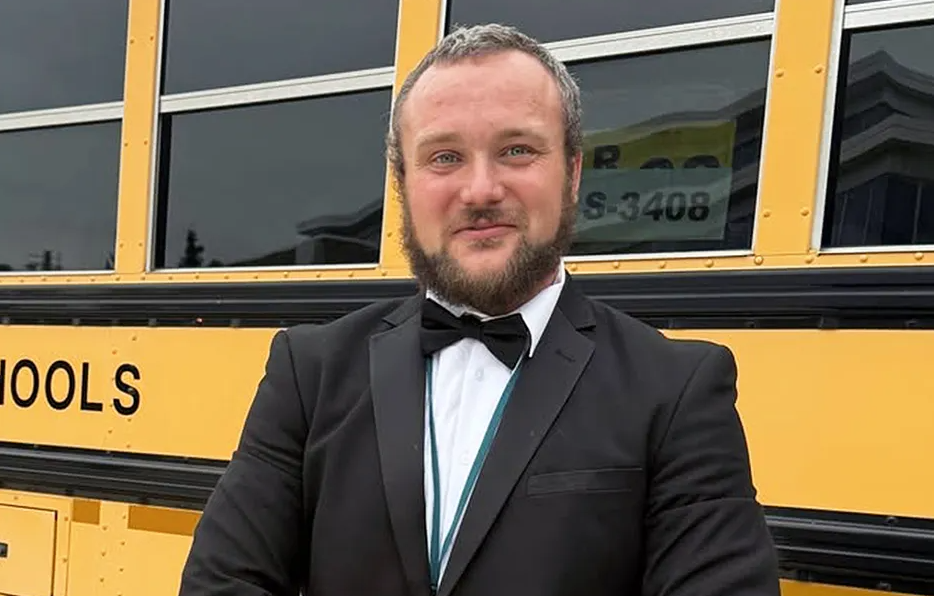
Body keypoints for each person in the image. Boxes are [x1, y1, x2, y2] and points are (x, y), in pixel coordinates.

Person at [178, 23, 780, 596]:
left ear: (571, 173)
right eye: (444, 157)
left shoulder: (676, 391)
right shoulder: (308, 373)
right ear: (403, 184)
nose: (481, 190)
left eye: (517, 150)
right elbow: (224, 582)